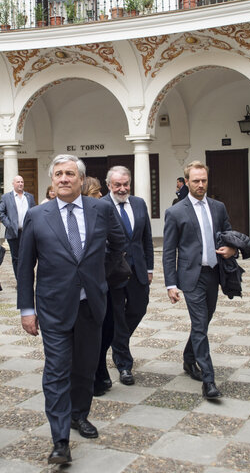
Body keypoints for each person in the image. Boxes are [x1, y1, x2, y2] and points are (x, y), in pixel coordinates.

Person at [17, 154, 127, 465]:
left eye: (70, 174)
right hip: (53, 307)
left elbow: (118, 245)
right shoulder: (38, 216)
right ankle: (60, 440)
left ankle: (79, 415)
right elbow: (25, 266)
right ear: (52, 181)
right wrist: (27, 308)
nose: (64, 179)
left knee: (85, 367)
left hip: (91, 304)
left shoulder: (101, 208)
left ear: (81, 179)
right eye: (58, 174)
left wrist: (97, 274)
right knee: (56, 370)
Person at [163, 161, 236, 399]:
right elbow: (169, 250)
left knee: (202, 324)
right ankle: (209, 380)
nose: (201, 184)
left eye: (204, 180)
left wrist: (231, 250)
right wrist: (171, 284)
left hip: (214, 274)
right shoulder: (176, 211)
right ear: (187, 182)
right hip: (190, 277)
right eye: (196, 181)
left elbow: (229, 235)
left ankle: (188, 358)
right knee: (200, 324)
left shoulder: (218, 207)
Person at [94, 166, 153, 395]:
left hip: (137, 270)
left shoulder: (139, 203)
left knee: (138, 309)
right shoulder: (101, 206)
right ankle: (124, 364)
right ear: (109, 185)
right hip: (113, 273)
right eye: (117, 185)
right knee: (116, 315)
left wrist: (149, 267)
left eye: (125, 184)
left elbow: (146, 237)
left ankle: (117, 344)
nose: (122, 188)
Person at [0, 175, 36, 277]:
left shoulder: (29, 197)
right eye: (18, 182)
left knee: (28, 257)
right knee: (16, 258)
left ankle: (27, 276)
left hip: (27, 232)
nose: (20, 184)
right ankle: (19, 280)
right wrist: (8, 224)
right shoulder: (6, 197)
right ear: (13, 184)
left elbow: (34, 212)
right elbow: (1, 212)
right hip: (13, 233)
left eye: (22, 182)